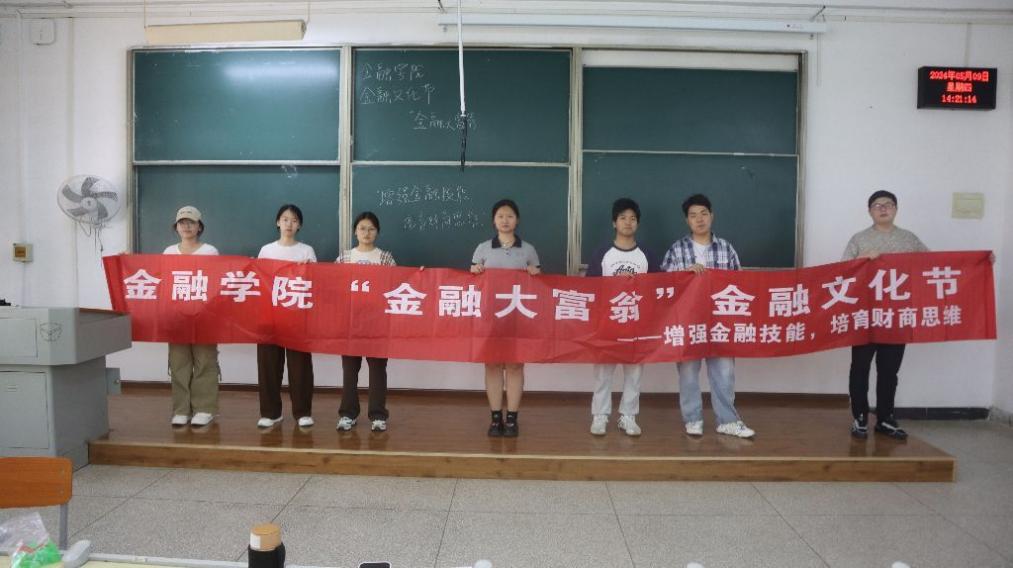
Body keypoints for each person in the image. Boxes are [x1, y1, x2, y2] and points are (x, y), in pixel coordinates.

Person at [661, 193, 755, 439]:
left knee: (724, 374)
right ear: (687, 220)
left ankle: (728, 421)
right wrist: (684, 274)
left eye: (703, 214)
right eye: (693, 215)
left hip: (720, 325)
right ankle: (692, 419)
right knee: (688, 374)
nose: (699, 219)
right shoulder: (677, 249)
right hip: (688, 324)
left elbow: (740, 284)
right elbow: (664, 287)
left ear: (712, 216)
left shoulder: (726, 248)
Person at [842, 190, 928, 440]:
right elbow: (842, 270)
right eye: (877, 205)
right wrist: (861, 259)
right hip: (865, 316)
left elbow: (934, 264)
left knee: (889, 371)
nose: (883, 209)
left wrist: (979, 261)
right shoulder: (859, 239)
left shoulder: (909, 239)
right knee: (860, 368)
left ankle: (885, 419)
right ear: (869, 211)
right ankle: (859, 417)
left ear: (895, 209)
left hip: (895, 316)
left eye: (888, 204)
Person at [585, 197, 661, 436]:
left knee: (634, 373)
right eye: (622, 218)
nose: (628, 222)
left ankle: (628, 416)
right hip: (607, 324)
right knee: (603, 374)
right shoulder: (603, 254)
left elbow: (659, 288)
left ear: (638, 223)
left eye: (633, 218)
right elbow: (590, 289)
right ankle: (600, 416)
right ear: (614, 223)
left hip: (637, 324)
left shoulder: (647, 255)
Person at [471, 199, 541, 437]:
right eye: (500, 216)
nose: (505, 220)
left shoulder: (528, 250)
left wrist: (535, 273)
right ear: (494, 220)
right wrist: (475, 271)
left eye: (510, 216)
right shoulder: (483, 248)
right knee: (492, 365)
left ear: (517, 220)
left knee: (514, 365)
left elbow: (539, 284)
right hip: (490, 318)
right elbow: (473, 282)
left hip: (517, 317)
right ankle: (495, 418)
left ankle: (512, 418)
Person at [256, 204, 317, 429]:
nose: (289, 224)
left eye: (294, 220)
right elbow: (258, 283)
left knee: (300, 367)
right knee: (268, 366)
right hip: (269, 317)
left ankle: (302, 412)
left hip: (297, 318)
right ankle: (270, 413)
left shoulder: (306, 251)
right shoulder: (266, 250)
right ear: (277, 222)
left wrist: (308, 269)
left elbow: (315, 283)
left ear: (299, 225)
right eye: (284, 219)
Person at [336, 211, 396, 433]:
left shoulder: (385, 258)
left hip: (377, 322)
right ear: (355, 231)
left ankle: (378, 415)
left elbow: (398, 283)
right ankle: (348, 414)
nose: (366, 233)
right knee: (349, 370)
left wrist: (417, 274)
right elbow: (331, 283)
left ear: (377, 232)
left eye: (371, 229)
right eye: (362, 228)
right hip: (350, 322)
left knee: (378, 370)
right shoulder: (344, 258)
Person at [163, 205, 221, 427]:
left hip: (204, 317)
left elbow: (216, 283)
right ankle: (181, 410)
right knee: (179, 363)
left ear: (199, 227)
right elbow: (163, 284)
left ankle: (205, 409)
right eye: (182, 222)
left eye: (191, 222)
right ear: (176, 227)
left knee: (205, 361)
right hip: (177, 317)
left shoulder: (210, 251)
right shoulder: (169, 252)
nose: (186, 226)